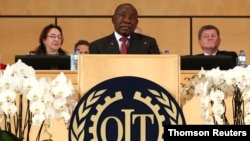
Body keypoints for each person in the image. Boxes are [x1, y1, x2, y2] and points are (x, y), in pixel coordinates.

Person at [89, 3, 160, 54]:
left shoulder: (148, 44)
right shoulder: (98, 46)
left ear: (136, 23)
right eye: (122, 16)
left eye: (131, 17)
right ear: (113, 19)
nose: (127, 21)